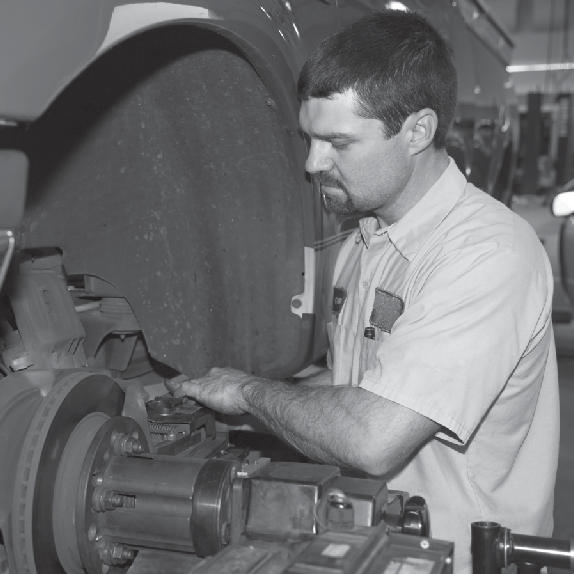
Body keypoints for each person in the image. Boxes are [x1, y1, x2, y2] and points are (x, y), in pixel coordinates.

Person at [174, 9, 559, 573]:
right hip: (377, 545)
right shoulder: (366, 241)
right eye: (309, 139)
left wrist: (251, 394)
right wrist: (237, 403)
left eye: (338, 143)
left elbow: (375, 439)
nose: (312, 163)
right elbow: (360, 381)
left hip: (461, 560)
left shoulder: (489, 254)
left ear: (417, 132)